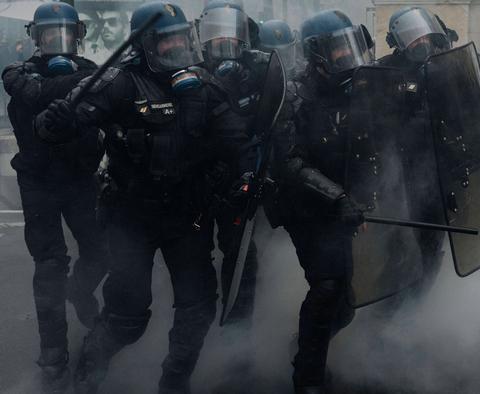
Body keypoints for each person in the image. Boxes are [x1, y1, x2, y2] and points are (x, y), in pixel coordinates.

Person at [34, 2, 255, 393]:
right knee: (127, 317)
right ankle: (87, 374)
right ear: (146, 45)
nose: (177, 49)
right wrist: (55, 122)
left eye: (181, 39)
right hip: (132, 217)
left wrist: (246, 178)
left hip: (188, 214)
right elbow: (68, 121)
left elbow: (237, 141)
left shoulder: (203, 84)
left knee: (197, 307)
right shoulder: (120, 82)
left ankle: (174, 382)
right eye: (166, 42)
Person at [1, 3, 109, 393]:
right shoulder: (19, 73)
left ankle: (80, 292)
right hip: (40, 182)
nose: (58, 43)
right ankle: (54, 356)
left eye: (65, 35)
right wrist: (75, 85)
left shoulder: (93, 72)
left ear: (77, 36)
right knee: (49, 266)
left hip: (80, 180)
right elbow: (29, 89)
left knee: (101, 252)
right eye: (50, 36)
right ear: (36, 38)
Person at [266, 9, 373, 393]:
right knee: (327, 287)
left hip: (340, 206)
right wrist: (338, 197)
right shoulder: (293, 92)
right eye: (338, 50)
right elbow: (290, 161)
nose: (347, 56)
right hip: (304, 206)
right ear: (316, 54)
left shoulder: (358, 86)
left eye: (350, 47)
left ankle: (304, 346)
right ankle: (307, 378)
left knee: (343, 305)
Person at [376, 6, 457, 296]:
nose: (420, 42)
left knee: (432, 239)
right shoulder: (384, 70)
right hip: (400, 167)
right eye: (411, 38)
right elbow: (377, 122)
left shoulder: (447, 64)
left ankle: (419, 298)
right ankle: (390, 296)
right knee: (396, 235)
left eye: (423, 35)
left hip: (439, 166)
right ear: (397, 43)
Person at [197, 0, 261, 326]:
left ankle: (237, 338)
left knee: (241, 261)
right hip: (198, 181)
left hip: (238, 180)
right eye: (215, 34)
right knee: (194, 262)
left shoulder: (255, 73)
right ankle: (198, 332)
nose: (225, 43)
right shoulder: (192, 74)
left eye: (232, 34)